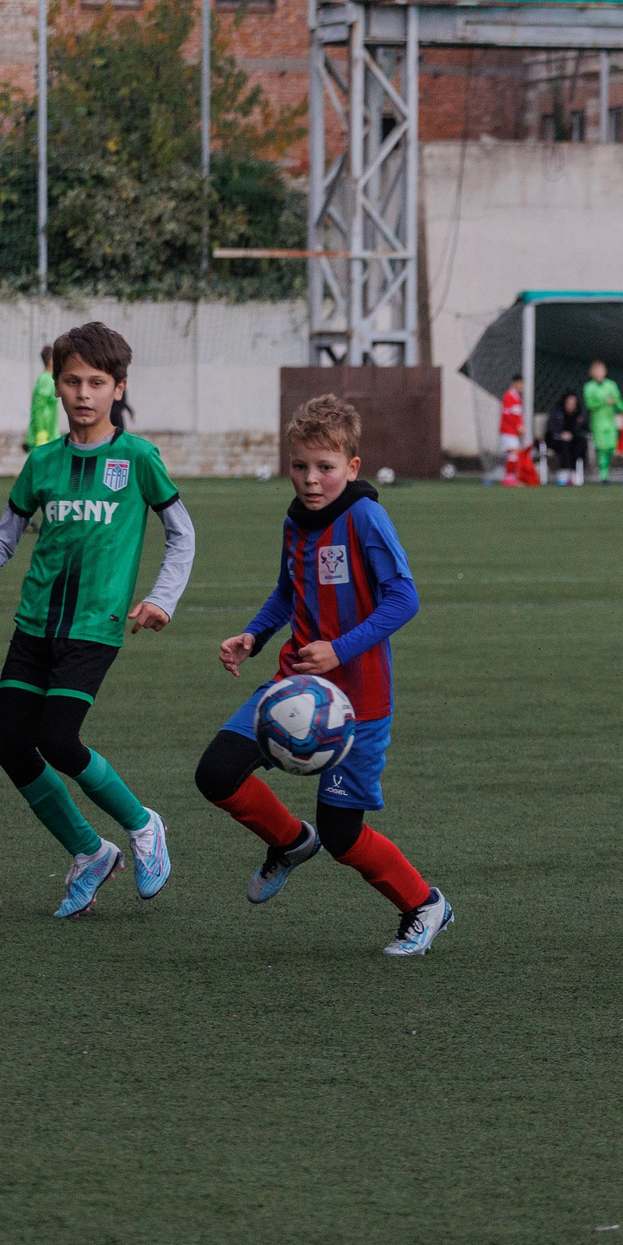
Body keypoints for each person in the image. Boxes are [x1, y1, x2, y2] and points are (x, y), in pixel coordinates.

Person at [0, 322, 192, 918]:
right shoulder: (43, 462)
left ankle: (142, 824)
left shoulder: (137, 458)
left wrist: (162, 598)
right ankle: (89, 851)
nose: (84, 393)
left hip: (93, 625)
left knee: (58, 739)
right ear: (56, 384)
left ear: (118, 388)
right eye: (73, 380)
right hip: (35, 622)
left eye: (97, 382)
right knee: (10, 745)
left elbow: (181, 533)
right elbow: (4, 535)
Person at [193, 395, 454, 958]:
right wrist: (254, 635)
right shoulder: (296, 519)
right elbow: (289, 591)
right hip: (292, 687)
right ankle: (289, 842)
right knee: (216, 773)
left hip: (357, 704)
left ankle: (424, 903)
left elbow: (404, 598)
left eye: (325, 467)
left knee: (342, 835)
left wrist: (339, 649)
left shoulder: (366, 518)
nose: (311, 479)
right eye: (300, 466)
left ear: (352, 467)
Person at [583, 362, 623, 483]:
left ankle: (606, 469)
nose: (599, 373)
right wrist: (605, 402)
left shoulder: (611, 385)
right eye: (596, 370)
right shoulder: (589, 387)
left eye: (601, 370)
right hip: (598, 423)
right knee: (602, 448)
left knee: (612, 448)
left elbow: (618, 402)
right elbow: (589, 404)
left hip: (610, 422)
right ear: (591, 373)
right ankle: (604, 476)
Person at [545, 391, 590, 486]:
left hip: (574, 442)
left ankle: (573, 472)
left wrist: (573, 435)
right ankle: (564, 471)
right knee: (565, 445)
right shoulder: (556, 413)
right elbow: (551, 430)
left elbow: (584, 431)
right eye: (569, 403)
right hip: (557, 442)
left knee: (578, 445)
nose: (571, 406)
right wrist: (561, 435)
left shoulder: (580, 416)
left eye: (573, 403)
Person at [24, 343, 60, 450]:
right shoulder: (46, 380)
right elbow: (39, 407)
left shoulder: (50, 378)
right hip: (44, 435)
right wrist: (41, 433)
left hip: (50, 433)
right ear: (51, 361)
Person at [497, 375, 529, 486]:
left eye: (522, 383)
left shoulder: (516, 397)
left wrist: (520, 426)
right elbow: (507, 414)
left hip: (513, 431)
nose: (521, 386)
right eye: (519, 383)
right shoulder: (508, 396)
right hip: (508, 430)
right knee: (513, 452)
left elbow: (516, 414)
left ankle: (511, 477)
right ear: (513, 384)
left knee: (514, 453)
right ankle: (509, 478)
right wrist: (518, 426)